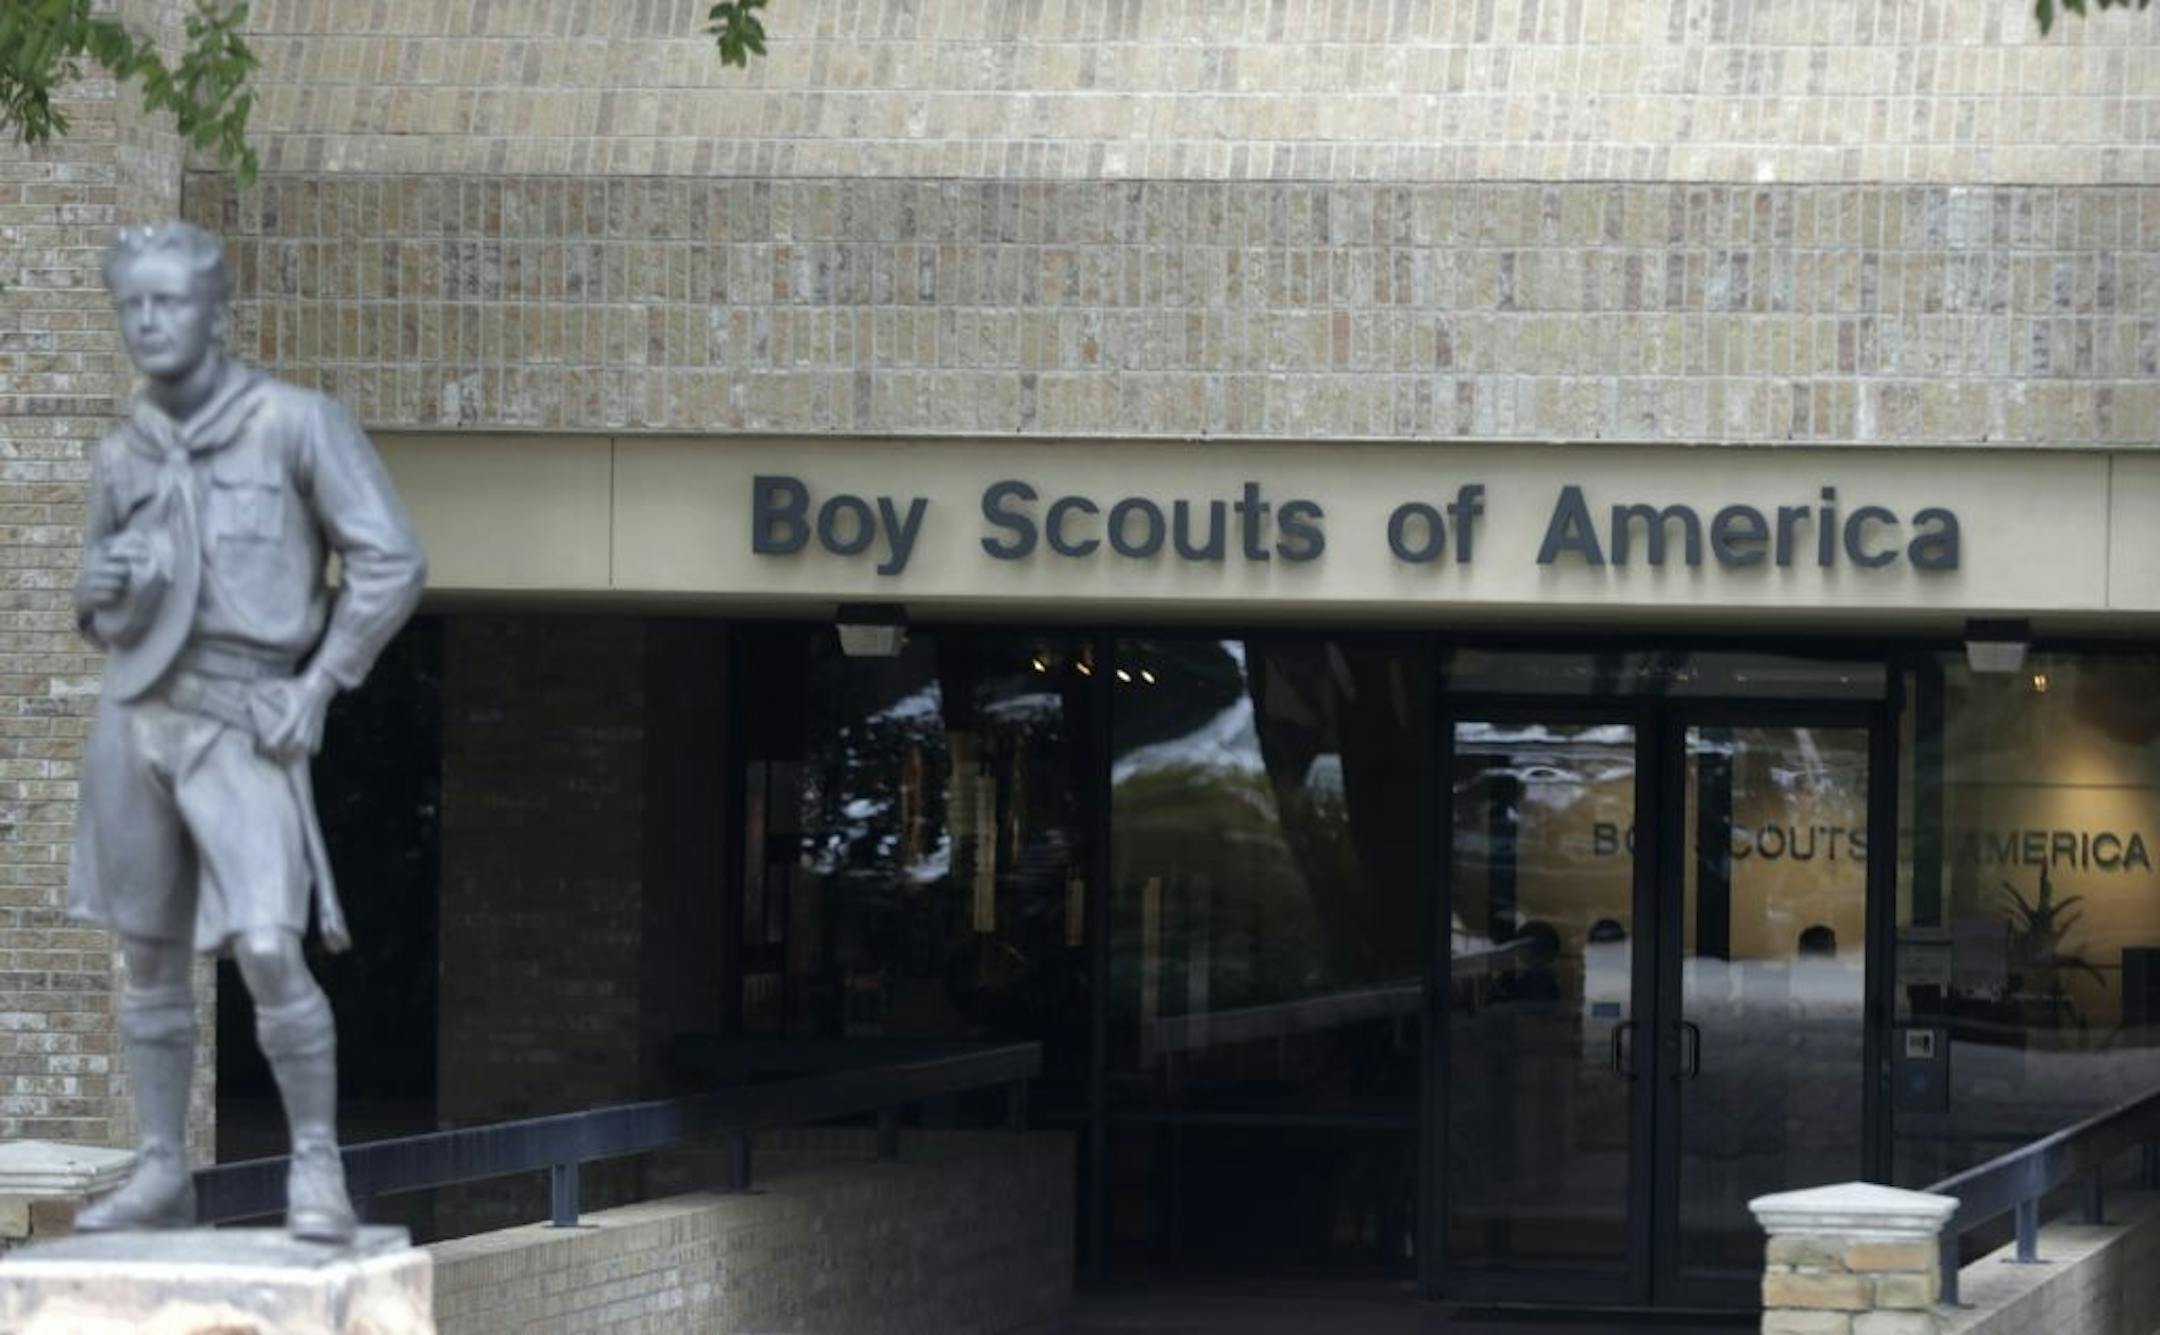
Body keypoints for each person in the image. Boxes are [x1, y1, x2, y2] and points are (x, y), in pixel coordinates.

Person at [69, 222, 426, 1241]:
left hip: (245, 715)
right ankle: (158, 1168)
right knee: (146, 954)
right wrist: (98, 595)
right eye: (132, 304)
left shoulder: (295, 424)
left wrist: (320, 686)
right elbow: (97, 599)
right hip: (137, 713)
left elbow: (392, 562)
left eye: (169, 302)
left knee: (269, 946)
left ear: (214, 311)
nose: (149, 322)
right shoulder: (122, 448)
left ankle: (316, 1167)